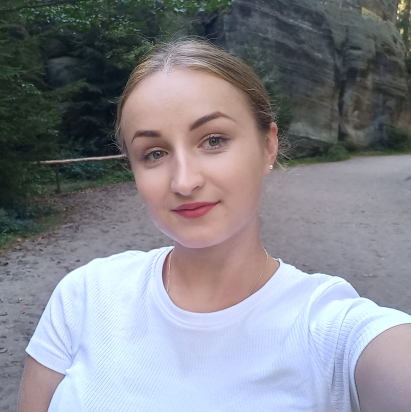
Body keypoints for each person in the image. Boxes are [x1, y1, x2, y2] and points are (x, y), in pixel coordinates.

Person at [18, 39, 411, 412]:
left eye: (214, 140)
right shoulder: (85, 297)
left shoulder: (333, 330)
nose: (184, 181)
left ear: (268, 145)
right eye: (154, 153)